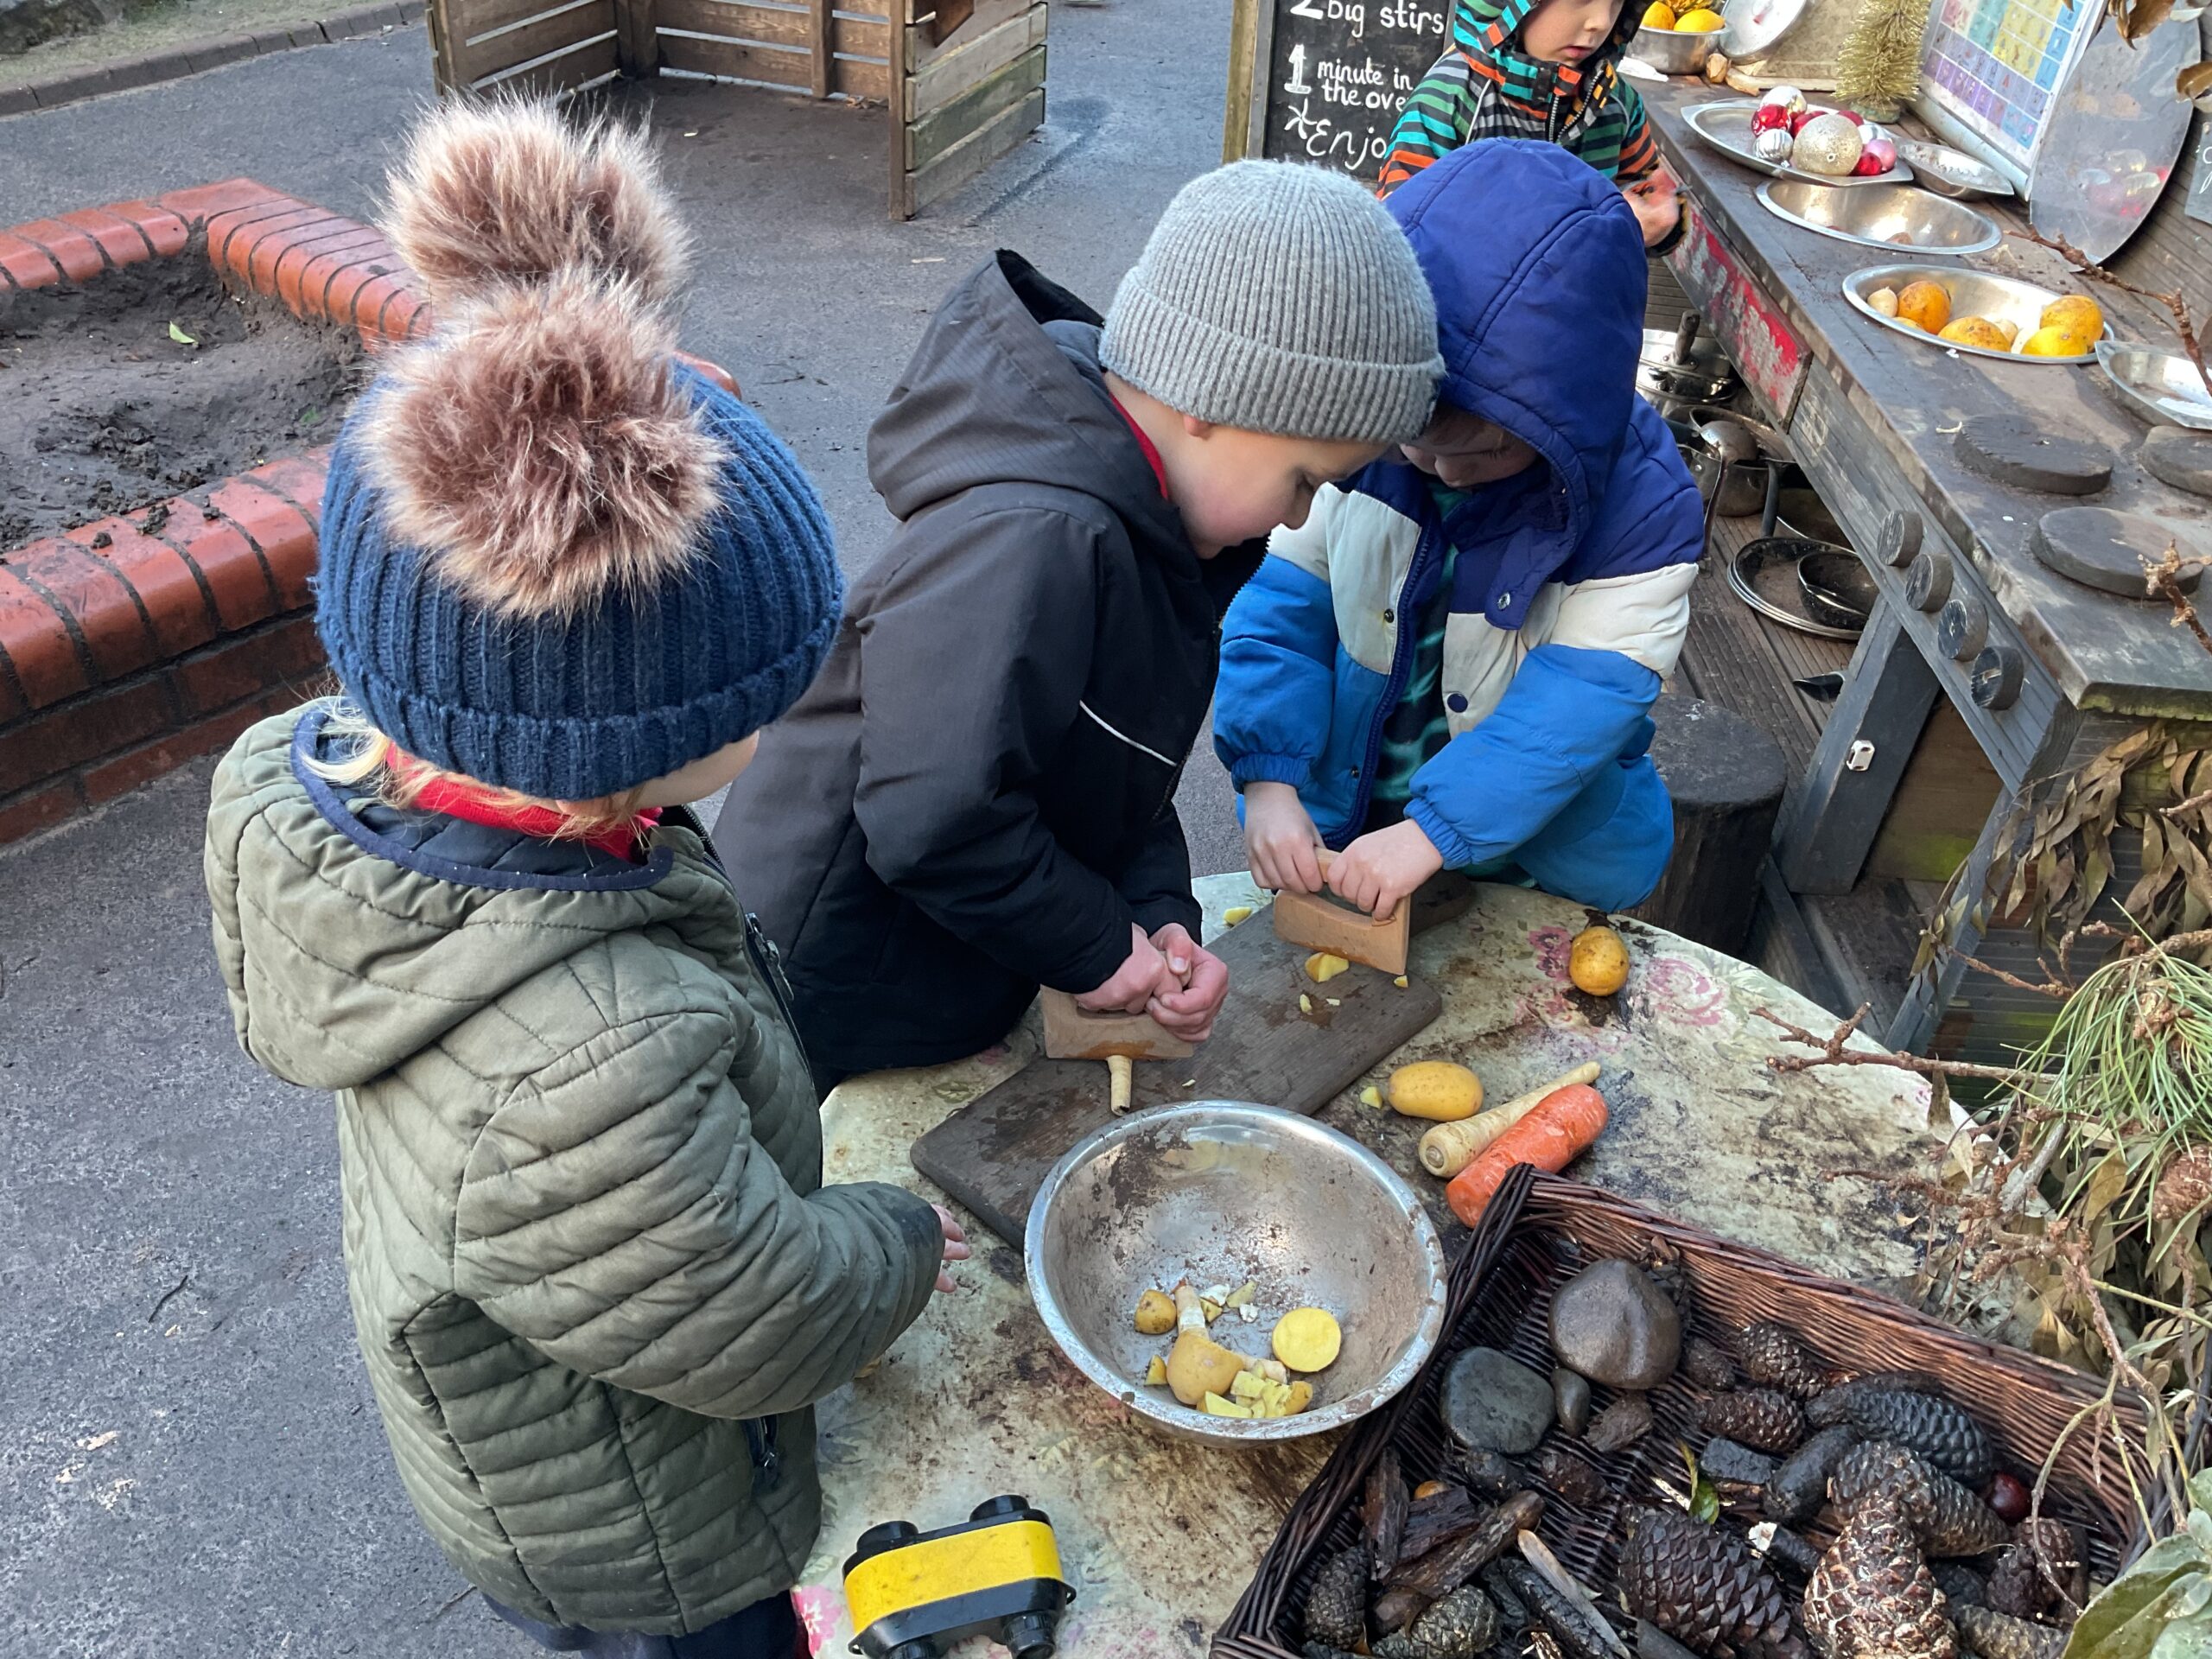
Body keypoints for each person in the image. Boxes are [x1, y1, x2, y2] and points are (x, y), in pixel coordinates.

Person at [203, 102, 963, 1658]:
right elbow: (760, 1316)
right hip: (639, 1527)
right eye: (762, 696)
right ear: (624, 743)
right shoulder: (583, 1063)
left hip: (539, 1398)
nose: (786, 713)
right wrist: (899, 1240)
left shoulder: (432, 824)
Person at [715, 162, 1444, 1093]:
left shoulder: (1154, 528)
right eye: (1303, 481)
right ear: (1210, 401)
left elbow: (1111, 766)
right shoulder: (1033, 537)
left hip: (959, 951)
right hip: (836, 980)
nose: (1299, 518)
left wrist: (1152, 911)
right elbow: (932, 816)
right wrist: (1097, 945)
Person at [1215, 140, 1702, 925]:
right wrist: (1269, 778)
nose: (1445, 472)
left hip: (1540, 851)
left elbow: (1578, 706)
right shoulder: (1359, 448)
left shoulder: (1643, 512)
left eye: (1485, 454)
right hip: (1362, 810)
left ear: (1568, 418)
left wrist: (1434, 832)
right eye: (1419, 444)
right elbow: (1280, 617)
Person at [1377, 0, 1685, 250]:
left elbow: (1643, 190)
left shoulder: (1617, 103)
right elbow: (1400, 238)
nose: (1601, 22)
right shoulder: (1448, 100)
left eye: (1617, 2)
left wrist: (1659, 225)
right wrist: (1589, 231)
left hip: (1582, 304)